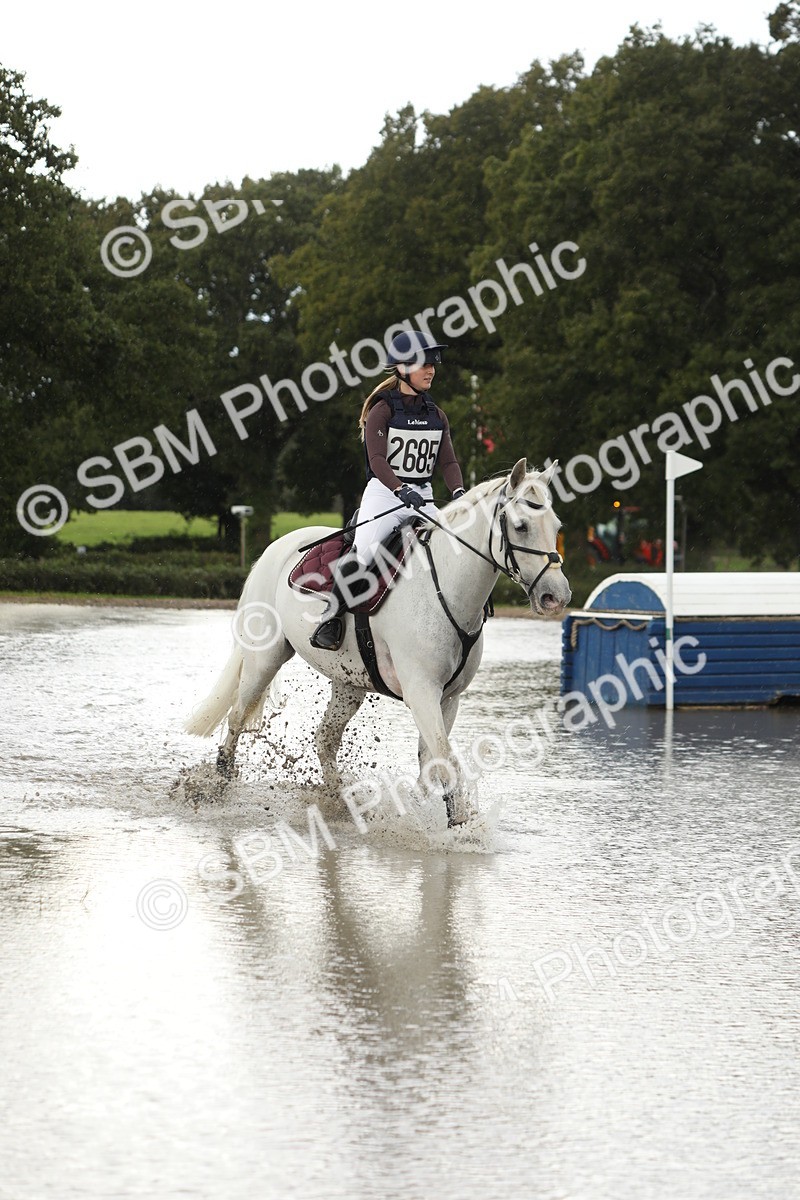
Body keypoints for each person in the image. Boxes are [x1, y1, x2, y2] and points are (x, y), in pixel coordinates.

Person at [310, 329, 466, 650]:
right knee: (365, 551)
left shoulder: (436, 414)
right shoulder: (383, 409)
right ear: (403, 367)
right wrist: (398, 489)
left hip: (422, 496)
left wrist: (459, 492)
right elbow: (377, 459)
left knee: (457, 548)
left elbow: (448, 464)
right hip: (384, 494)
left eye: (433, 363)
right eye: (424, 364)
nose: (431, 369)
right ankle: (331, 619)